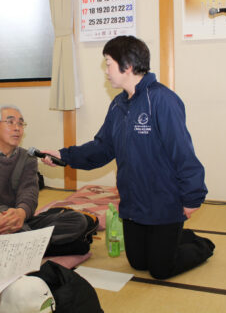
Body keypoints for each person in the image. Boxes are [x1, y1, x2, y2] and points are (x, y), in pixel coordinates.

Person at [40, 36, 215, 279]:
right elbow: (102, 148)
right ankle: (171, 239)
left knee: (160, 270)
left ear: (128, 65)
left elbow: (183, 153)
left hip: (165, 203)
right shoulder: (118, 105)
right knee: (138, 263)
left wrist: (193, 198)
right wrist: (63, 155)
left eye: (108, 63)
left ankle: (200, 245)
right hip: (134, 204)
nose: (106, 71)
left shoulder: (162, 101)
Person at [0, 105, 91, 255]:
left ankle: (26, 246)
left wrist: (21, 213)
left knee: (77, 220)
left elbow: (29, 193)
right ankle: (40, 246)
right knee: (0, 212)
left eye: (21, 123)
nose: (17, 128)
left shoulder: (28, 158)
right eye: (10, 122)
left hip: (21, 222)